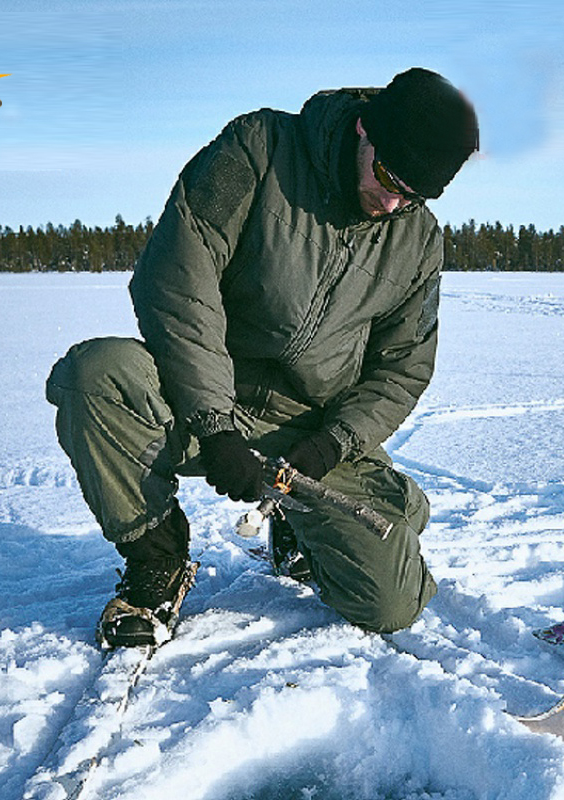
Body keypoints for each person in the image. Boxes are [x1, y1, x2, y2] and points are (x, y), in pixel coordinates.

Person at [46, 67, 479, 647]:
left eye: (414, 195)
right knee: (94, 375)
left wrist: (333, 444)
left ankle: (341, 518)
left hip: (311, 429)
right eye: (386, 177)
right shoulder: (260, 150)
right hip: (200, 392)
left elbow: (402, 369)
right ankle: (158, 560)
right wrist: (216, 424)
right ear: (362, 131)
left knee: (389, 603)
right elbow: (179, 283)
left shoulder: (417, 239)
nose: (392, 200)